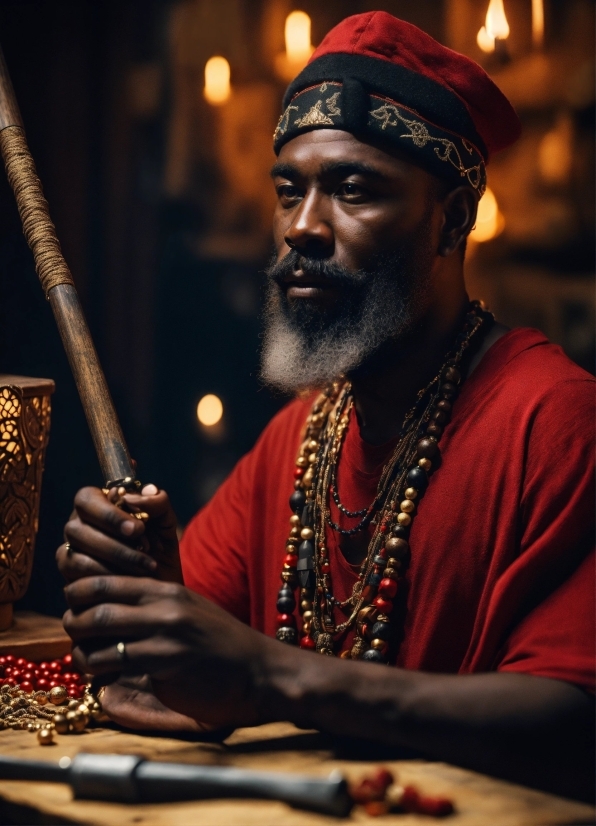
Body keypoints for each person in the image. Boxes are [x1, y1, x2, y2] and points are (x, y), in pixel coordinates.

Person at [56, 12, 594, 802]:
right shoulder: (302, 438)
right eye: (288, 191)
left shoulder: (555, 420)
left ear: (452, 219)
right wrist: (138, 602)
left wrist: (275, 675)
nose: (302, 227)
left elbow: (576, 718)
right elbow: (192, 678)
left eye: (353, 190)